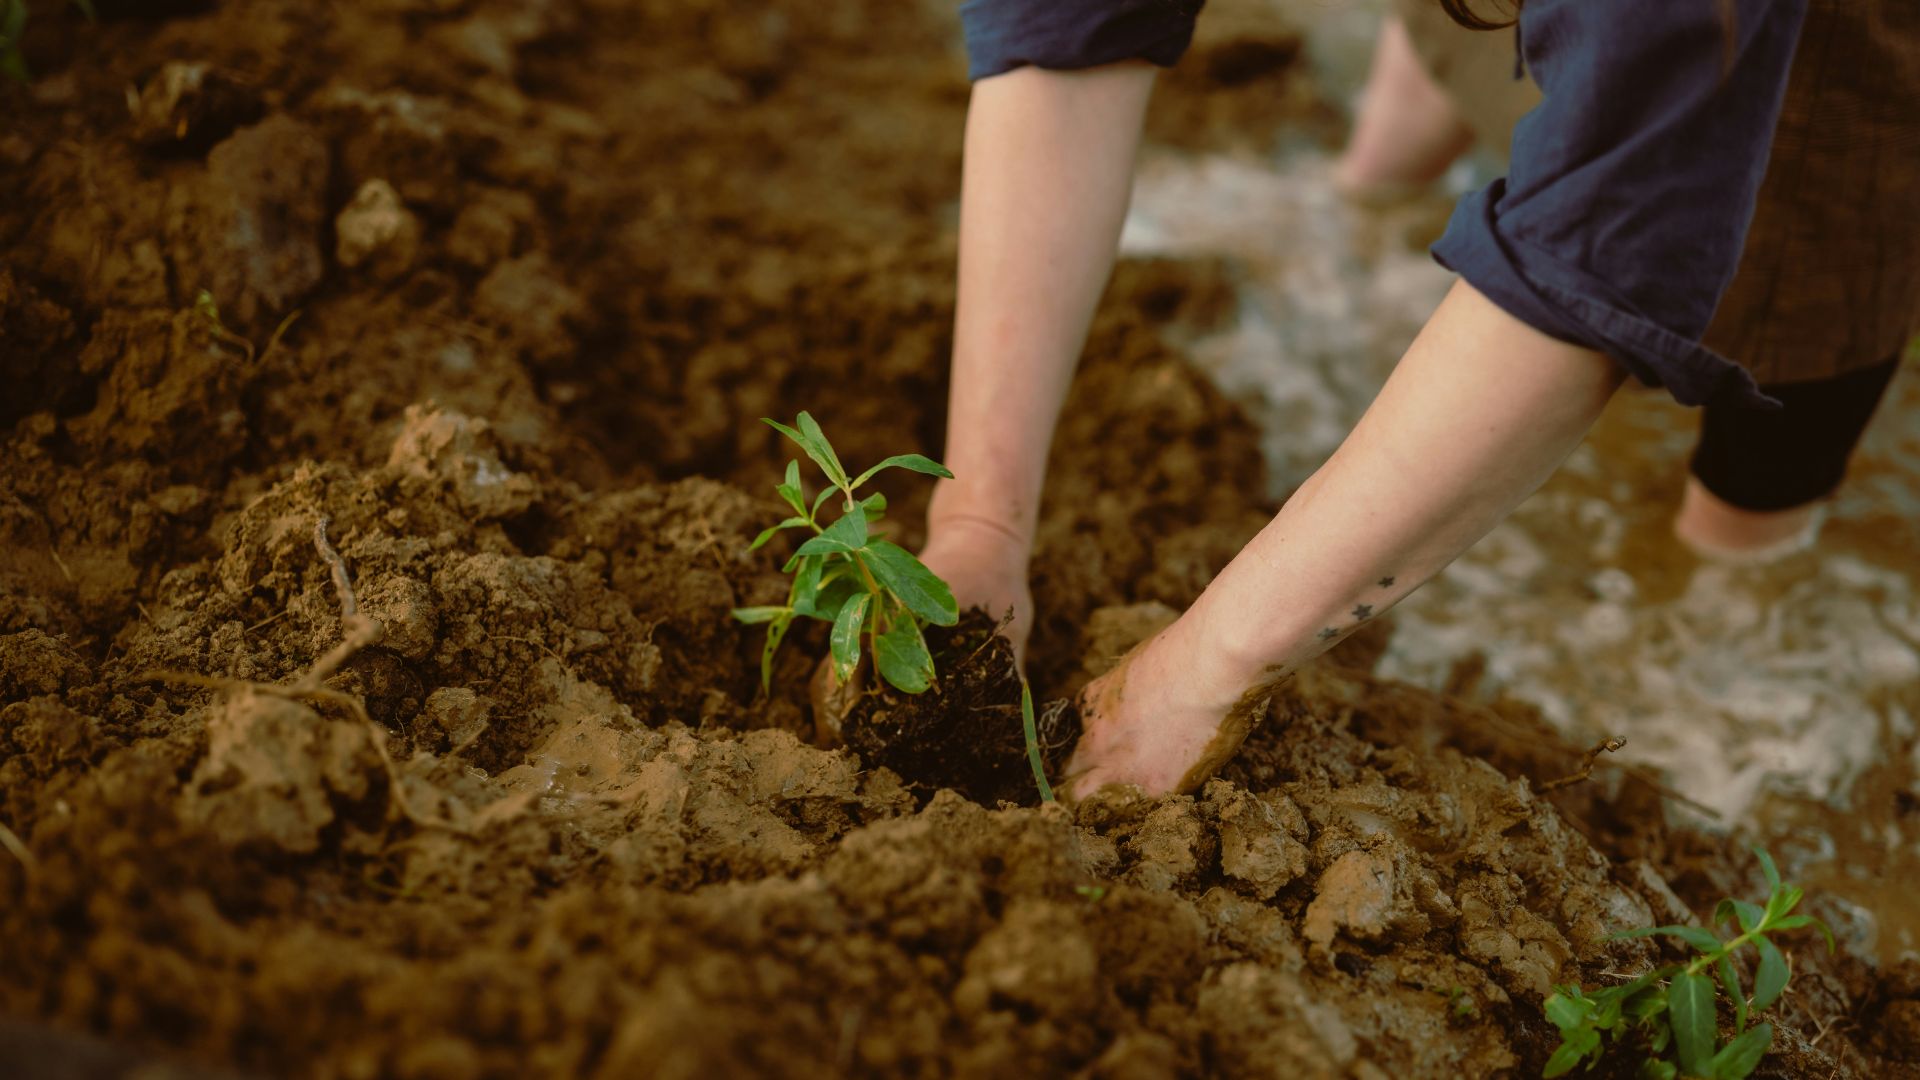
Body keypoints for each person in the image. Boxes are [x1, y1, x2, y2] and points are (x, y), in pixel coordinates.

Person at [906, 0, 1918, 799]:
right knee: (1439, 97)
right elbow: (1070, 26)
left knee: (1781, 319)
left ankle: (1733, 590)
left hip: (1820, 64)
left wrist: (1202, 669)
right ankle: (1398, 157)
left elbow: (1612, 242)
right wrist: (979, 520)